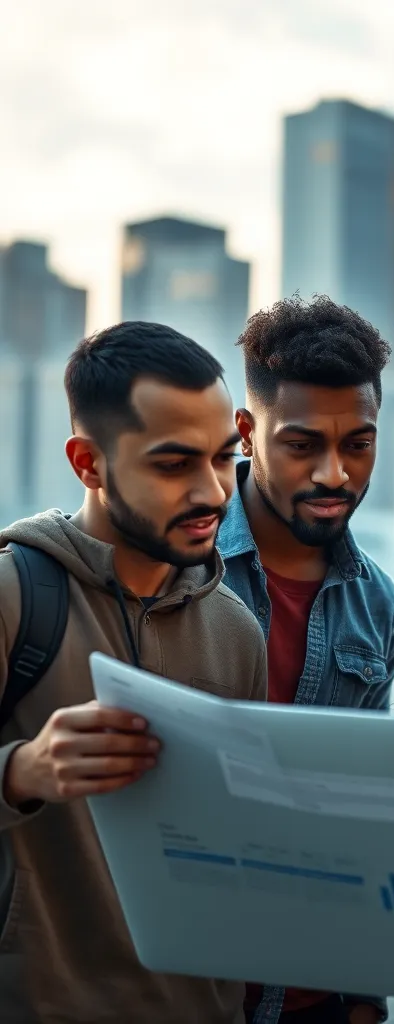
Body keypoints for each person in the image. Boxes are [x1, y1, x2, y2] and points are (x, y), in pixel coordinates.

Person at [0, 322, 267, 1023]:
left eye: (224, 458)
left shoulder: (237, 631)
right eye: (174, 464)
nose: (214, 492)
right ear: (88, 463)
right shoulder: (12, 597)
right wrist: (21, 771)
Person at [221, 296, 394, 1024]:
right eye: (302, 446)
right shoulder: (178, 571)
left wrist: (360, 1000)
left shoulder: (378, 607)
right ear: (247, 432)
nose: (335, 474)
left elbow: (362, 821)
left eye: (358, 444)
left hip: (313, 998)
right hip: (184, 990)